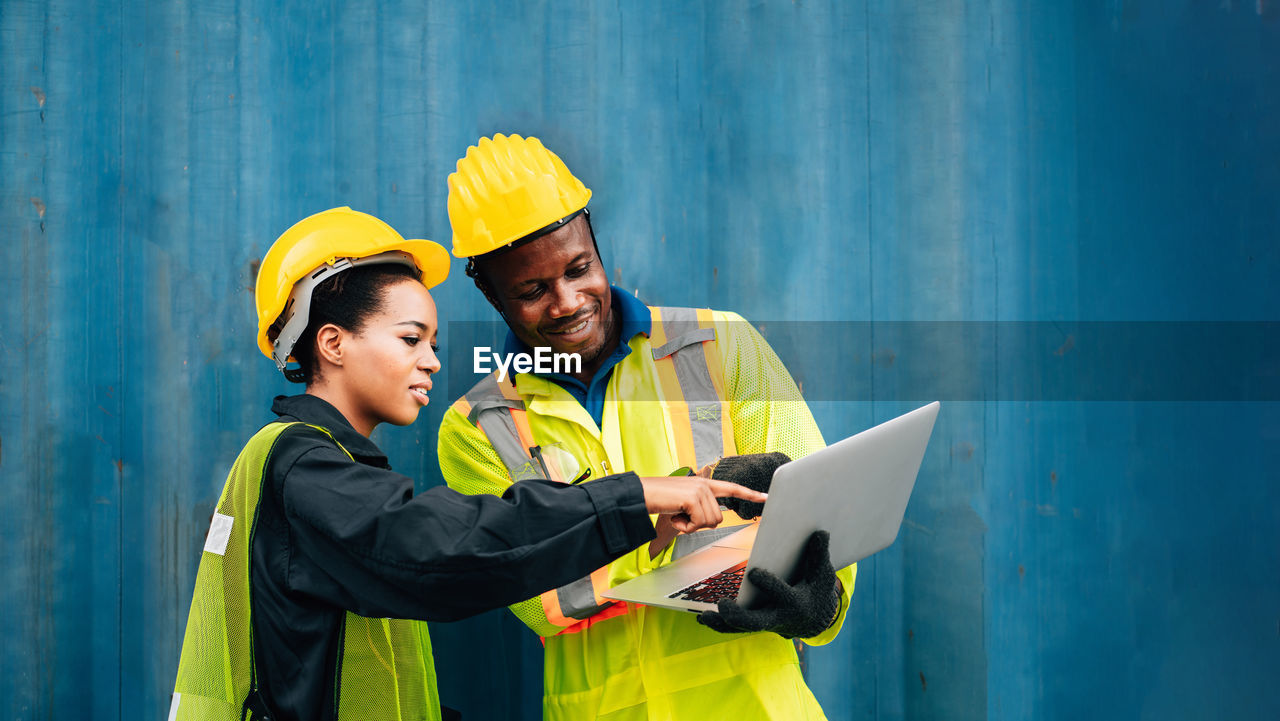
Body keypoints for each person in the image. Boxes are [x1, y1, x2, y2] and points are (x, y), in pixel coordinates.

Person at [168, 207, 767, 721]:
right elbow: (439, 552)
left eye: (432, 342)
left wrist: (636, 522)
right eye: (410, 339)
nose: (431, 361)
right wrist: (635, 496)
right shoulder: (300, 464)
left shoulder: (324, 467)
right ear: (333, 343)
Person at [436, 134, 856, 720]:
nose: (566, 302)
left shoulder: (721, 343)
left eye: (580, 268)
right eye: (532, 291)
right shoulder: (478, 428)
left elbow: (822, 509)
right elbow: (541, 597)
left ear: (595, 244)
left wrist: (821, 601)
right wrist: (654, 515)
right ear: (489, 293)